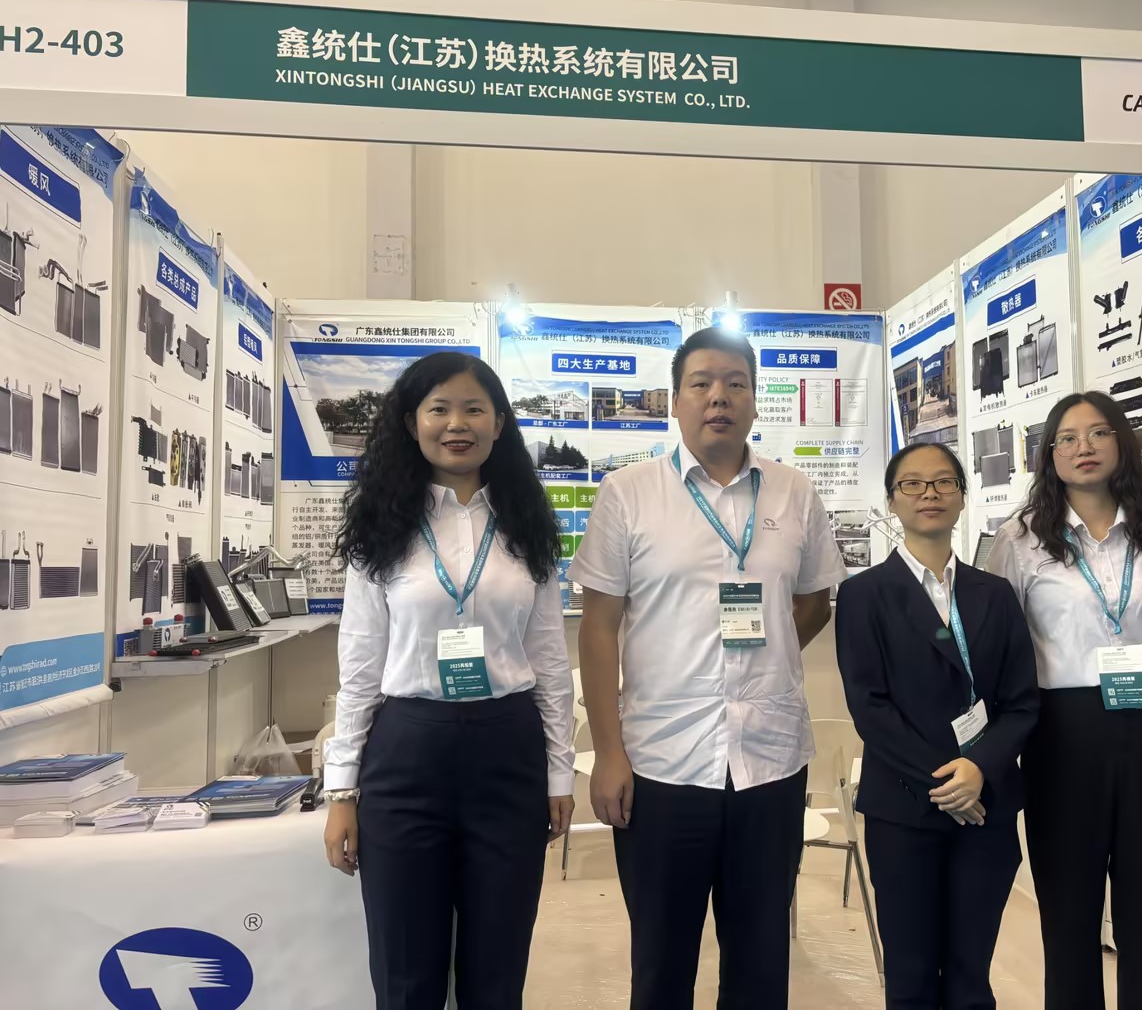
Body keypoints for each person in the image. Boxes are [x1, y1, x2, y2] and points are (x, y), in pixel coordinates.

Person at [569, 325, 848, 1010]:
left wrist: (765, 656)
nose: (718, 397)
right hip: (662, 764)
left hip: (770, 763)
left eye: (735, 383)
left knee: (760, 964)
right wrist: (608, 753)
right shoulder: (628, 493)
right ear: (675, 400)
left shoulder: (794, 492)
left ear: (754, 400)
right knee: (662, 967)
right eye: (701, 383)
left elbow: (816, 600)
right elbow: (599, 629)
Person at [322, 351, 575, 1010]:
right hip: (407, 754)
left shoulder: (526, 524)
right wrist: (342, 788)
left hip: (507, 753)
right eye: (439, 409)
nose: (456, 424)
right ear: (412, 423)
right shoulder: (383, 525)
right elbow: (360, 663)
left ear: (499, 424)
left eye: (473, 409)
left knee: (498, 968)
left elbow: (550, 659)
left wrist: (559, 774)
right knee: (406, 970)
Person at [987, 391, 1142, 1010]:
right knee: (1068, 905)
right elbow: (1004, 643)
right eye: (1067, 438)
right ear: (1049, 454)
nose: (1084, 448)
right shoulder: (1019, 539)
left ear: (1121, 442)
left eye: (1099, 433)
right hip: (1061, 730)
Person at [836, 442, 1039, 1009]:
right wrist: (947, 782)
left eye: (944, 482)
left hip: (986, 806)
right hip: (905, 808)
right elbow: (870, 707)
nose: (930, 494)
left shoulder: (995, 594)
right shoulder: (863, 595)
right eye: (913, 484)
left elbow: (1021, 702)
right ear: (892, 501)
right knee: (912, 973)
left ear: (962, 496)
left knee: (972, 973)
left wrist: (979, 768)